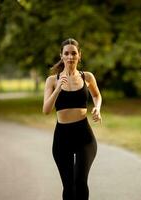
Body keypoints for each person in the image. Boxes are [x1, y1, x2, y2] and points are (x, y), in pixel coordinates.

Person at [43, 38, 102, 200]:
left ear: (79, 55)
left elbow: (97, 95)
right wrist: (57, 90)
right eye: (66, 53)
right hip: (62, 138)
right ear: (61, 56)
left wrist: (97, 108)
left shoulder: (87, 77)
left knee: (80, 182)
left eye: (73, 53)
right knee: (69, 187)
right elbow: (46, 110)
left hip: (84, 136)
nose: (70, 57)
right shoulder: (52, 81)